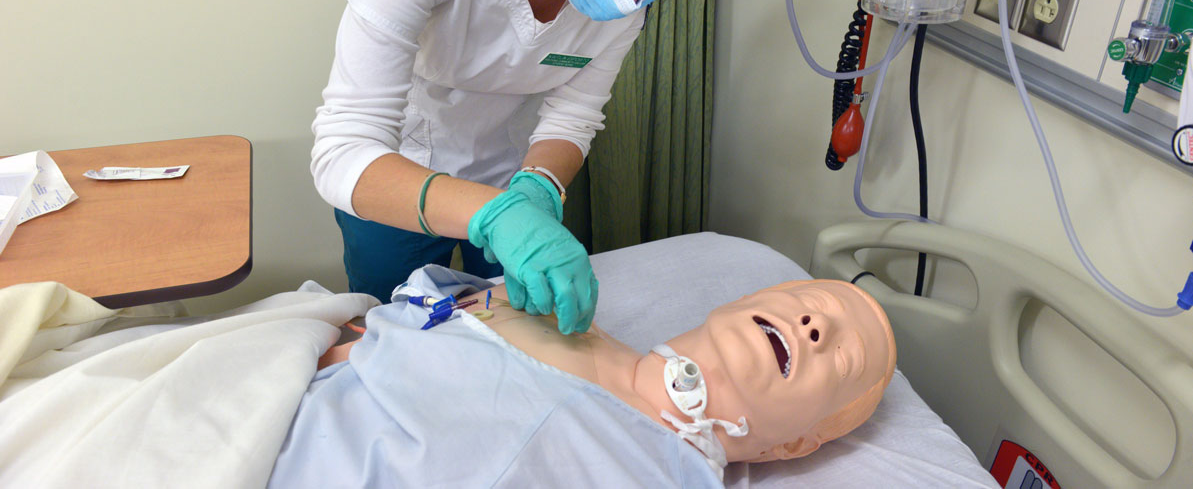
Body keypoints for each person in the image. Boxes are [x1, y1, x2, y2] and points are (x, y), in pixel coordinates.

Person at [309, 0, 739, 334]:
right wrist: (495, 217)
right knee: (393, 338)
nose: (629, 0)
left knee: (518, 337)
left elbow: (573, 114)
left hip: (513, 178)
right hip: (393, 175)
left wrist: (536, 188)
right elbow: (343, 148)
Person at [269, 268, 897, 486]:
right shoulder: (561, 312)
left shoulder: (661, 472)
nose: (817, 327)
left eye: (840, 358)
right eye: (813, 304)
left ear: (791, 446)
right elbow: (387, 324)